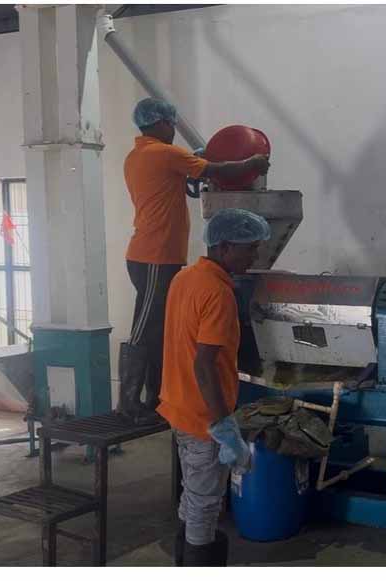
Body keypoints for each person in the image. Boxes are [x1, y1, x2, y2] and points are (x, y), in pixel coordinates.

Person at [117, 97, 271, 423]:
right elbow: (219, 170)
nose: (174, 130)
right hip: (154, 255)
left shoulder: (139, 156)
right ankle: (128, 404)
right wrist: (254, 163)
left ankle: (155, 399)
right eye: (172, 124)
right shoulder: (164, 153)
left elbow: (189, 171)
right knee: (144, 329)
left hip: (157, 254)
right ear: (161, 123)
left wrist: (199, 159)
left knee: (158, 329)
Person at [158, 208, 269, 566]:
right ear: (224, 247)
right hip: (202, 416)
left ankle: (185, 558)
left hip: (178, 405)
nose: (255, 256)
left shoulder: (184, 278)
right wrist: (224, 427)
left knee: (194, 496)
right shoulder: (218, 293)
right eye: (250, 248)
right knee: (206, 506)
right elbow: (204, 366)